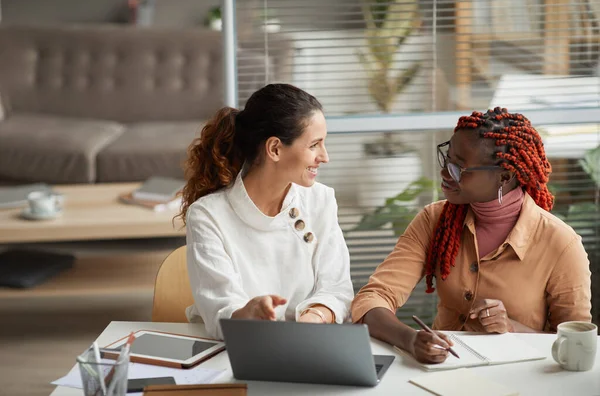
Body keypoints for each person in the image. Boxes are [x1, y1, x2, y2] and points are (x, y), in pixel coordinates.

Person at [351, 107, 592, 364]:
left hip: (522, 379)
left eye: (460, 169)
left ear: (505, 176)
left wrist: (511, 328)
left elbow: (575, 345)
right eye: (447, 160)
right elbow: (373, 298)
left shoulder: (561, 244)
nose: (445, 174)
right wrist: (410, 339)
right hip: (440, 374)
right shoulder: (435, 220)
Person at [178, 83, 354, 339]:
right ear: (274, 149)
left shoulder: (320, 200)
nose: (324, 156)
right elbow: (221, 309)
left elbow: (337, 289)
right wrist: (248, 314)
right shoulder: (208, 215)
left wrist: (313, 319)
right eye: (314, 145)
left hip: (306, 345)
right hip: (233, 349)